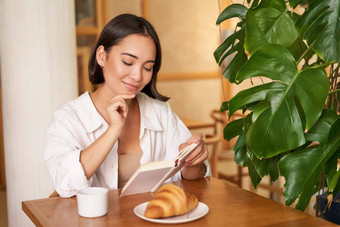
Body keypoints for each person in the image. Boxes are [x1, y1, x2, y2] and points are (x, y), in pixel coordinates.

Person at [44, 14, 211, 198]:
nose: (138, 76)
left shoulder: (160, 112)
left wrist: (193, 162)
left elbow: (192, 179)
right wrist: (113, 130)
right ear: (101, 56)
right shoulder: (68, 118)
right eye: (128, 62)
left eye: (147, 68)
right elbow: (66, 185)